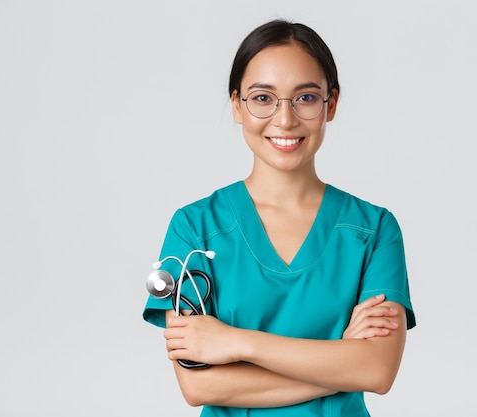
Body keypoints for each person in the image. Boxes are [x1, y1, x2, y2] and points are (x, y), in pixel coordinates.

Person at [142, 19, 416, 416]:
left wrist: (237, 343)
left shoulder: (373, 230)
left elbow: (378, 371)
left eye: (305, 98)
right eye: (263, 98)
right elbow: (199, 384)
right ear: (237, 105)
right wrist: (342, 359)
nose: (285, 120)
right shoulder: (194, 228)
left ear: (331, 105)